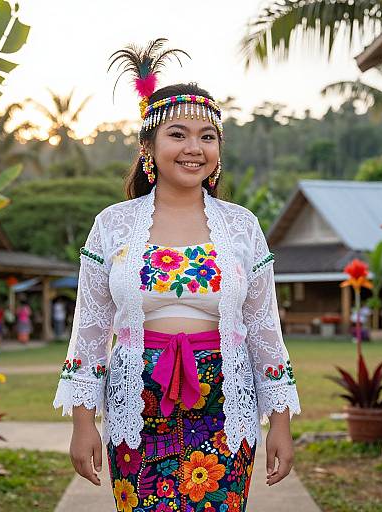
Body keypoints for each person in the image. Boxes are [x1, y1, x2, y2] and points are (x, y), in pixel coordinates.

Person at [53, 39, 301, 512]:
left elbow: (265, 329)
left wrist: (281, 424)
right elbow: (89, 330)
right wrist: (83, 422)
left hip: (227, 407)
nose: (194, 148)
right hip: (137, 406)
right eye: (178, 134)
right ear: (148, 145)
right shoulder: (113, 224)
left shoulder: (241, 226)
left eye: (208, 137)